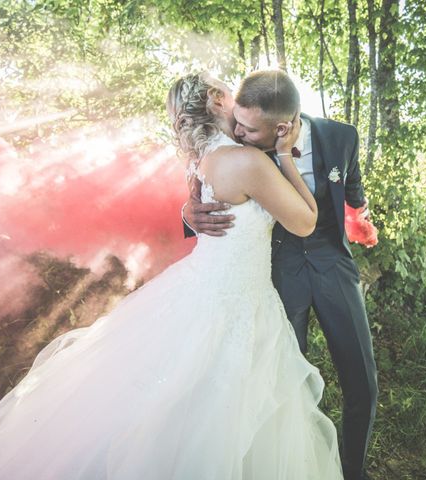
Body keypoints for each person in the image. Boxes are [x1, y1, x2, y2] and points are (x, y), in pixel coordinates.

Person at [0, 72, 343, 479]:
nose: (235, 90)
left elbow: (214, 202)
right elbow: (305, 223)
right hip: (234, 300)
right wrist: (285, 154)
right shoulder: (247, 159)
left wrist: (190, 210)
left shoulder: (204, 159)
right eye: (226, 87)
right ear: (218, 99)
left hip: (207, 287)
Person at [183, 70, 378, 480]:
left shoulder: (342, 136)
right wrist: (186, 213)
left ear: (283, 127)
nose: (238, 130)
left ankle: (352, 471)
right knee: (285, 383)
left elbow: (353, 193)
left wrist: (361, 220)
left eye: (248, 129)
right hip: (278, 271)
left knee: (362, 380)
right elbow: (206, 179)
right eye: (236, 123)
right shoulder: (244, 134)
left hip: (332, 266)